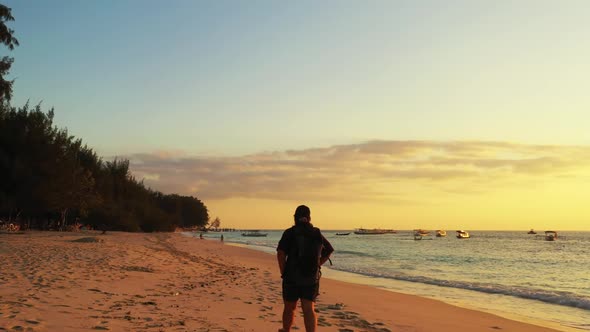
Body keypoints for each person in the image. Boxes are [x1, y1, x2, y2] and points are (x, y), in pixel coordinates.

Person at [276, 205, 334, 332]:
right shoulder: (316, 233)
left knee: (289, 307)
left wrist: (283, 272)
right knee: (308, 309)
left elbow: (281, 253)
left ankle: (286, 330)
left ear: (295, 218)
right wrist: (318, 263)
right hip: (310, 278)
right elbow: (329, 249)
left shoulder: (289, 232)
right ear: (309, 217)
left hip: (291, 277)